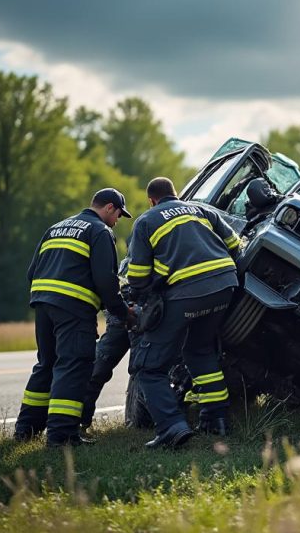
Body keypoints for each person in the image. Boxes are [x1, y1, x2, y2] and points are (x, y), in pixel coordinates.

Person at [127, 177, 242, 449]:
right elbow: (236, 245)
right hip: (225, 286)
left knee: (148, 367)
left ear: (151, 200)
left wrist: (146, 293)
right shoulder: (202, 210)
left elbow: (138, 277)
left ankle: (171, 428)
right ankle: (216, 420)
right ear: (176, 194)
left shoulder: (146, 221)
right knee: (199, 351)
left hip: (186, 294)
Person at [14, 188, 132, 447]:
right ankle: (62, 435)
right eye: (119, 216)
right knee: (73, 366)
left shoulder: (57, 227)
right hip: (74, 310)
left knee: (46, 364)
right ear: (110, 207)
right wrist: (123, 312)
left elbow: (32, 271)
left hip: (44, 304)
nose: (117, 221)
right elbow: (105, 279)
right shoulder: (99, 231)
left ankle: (26, 430)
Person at [81, 257, 152, 432]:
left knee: (99, 366)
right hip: (138, 311)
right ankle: (142, 422)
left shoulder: (130, 258)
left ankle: (75, 421)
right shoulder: (161, 248)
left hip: (120, 309)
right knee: (143, 367)